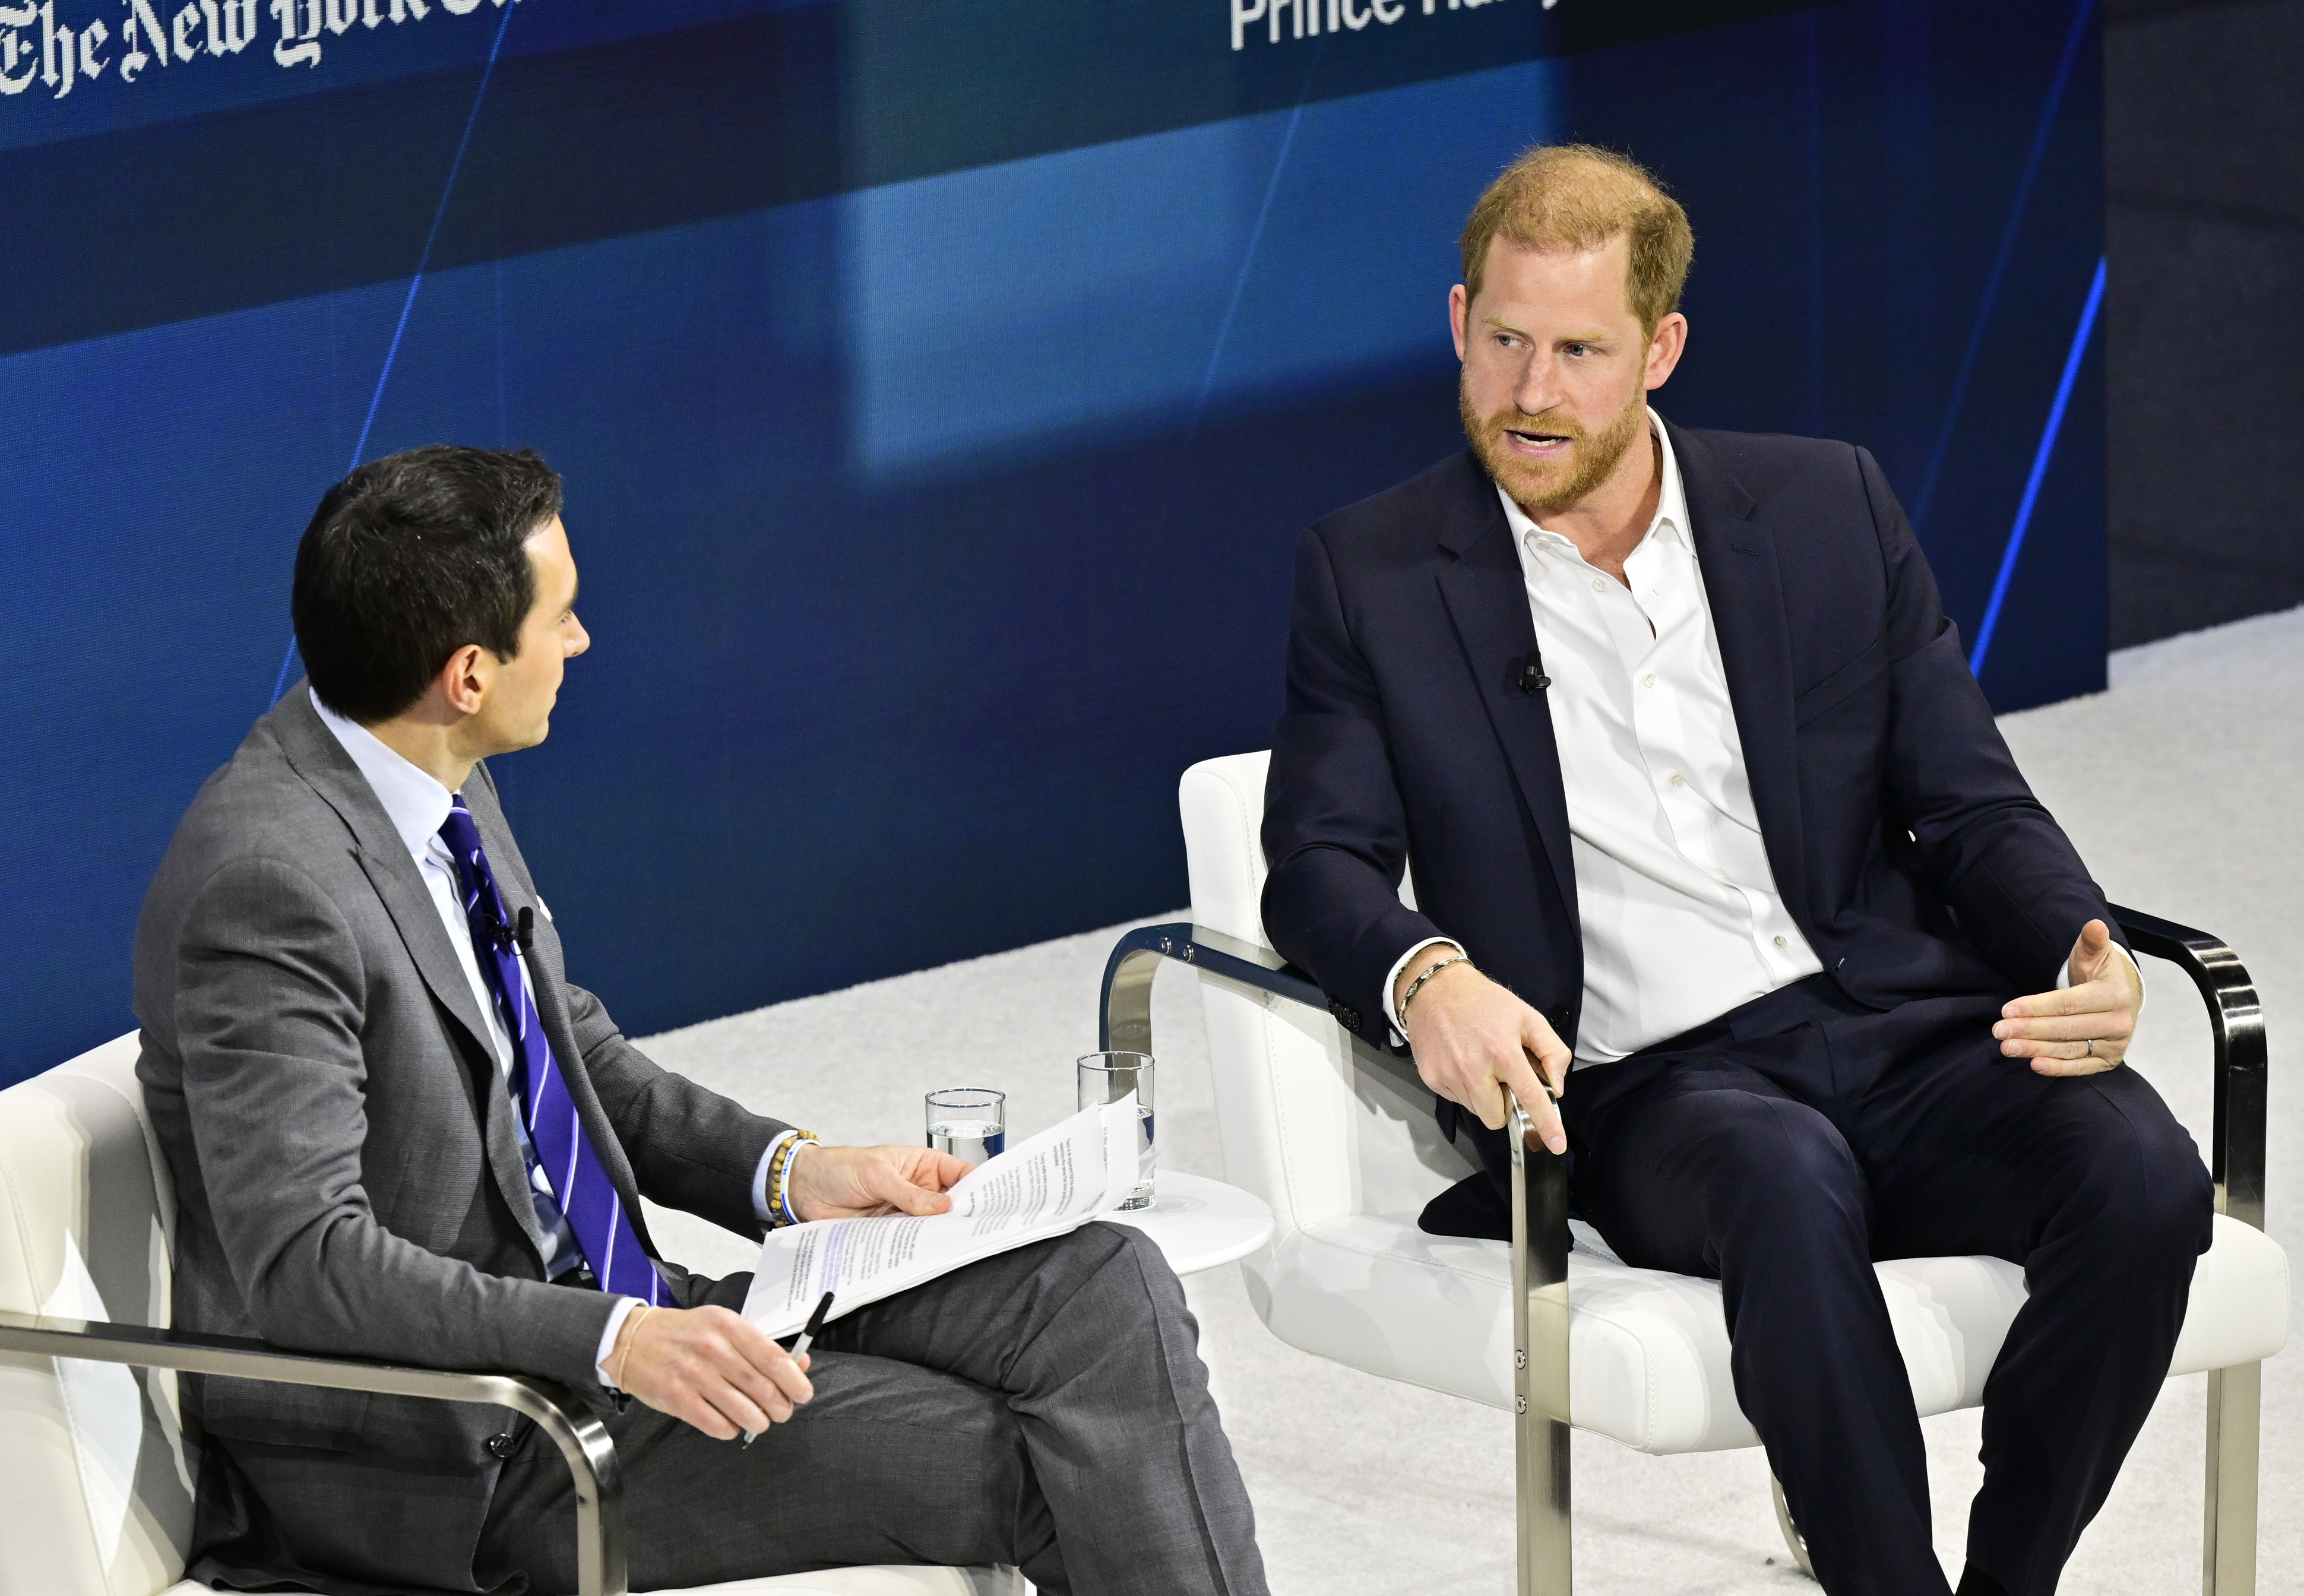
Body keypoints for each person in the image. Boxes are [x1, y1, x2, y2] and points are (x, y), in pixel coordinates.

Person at [1259, 145, 2212, 1596]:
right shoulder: (1372, 573)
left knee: (2145, 1175)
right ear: (1458, 323)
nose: (1531, 391)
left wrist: (2082, 942)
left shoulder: (1829, 508)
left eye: (1579, 350)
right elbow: (1314, 861)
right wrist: (1425, 974)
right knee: (1779, 1173)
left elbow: (1967, 802)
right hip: (1655, 1086)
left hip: (1894, 1023)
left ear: (1662, 347)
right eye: (1504, 341)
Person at [133, 445, 1268, 1596]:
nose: (580, 643)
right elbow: (307, 1264)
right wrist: (617, 1342)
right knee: (1037, 1451)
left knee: (1102, 1285)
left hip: (626, 1317)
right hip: (478, 1451)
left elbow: (568, 1059)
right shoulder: (268, 886)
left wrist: (796, 1175)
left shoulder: (427, 764)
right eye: (560, 620)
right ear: (467, 672)